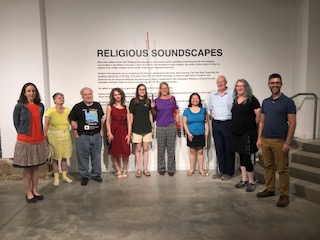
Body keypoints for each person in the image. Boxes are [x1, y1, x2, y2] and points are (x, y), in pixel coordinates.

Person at [256, 73, 296, 207]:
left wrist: (288, 142)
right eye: (272, 83)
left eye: (277, 83)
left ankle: (284, 194)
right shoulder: (265, 102)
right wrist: (259, 138)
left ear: (281, 84)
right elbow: (261, 122)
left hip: (280, 141)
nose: (275, 85)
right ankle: (270, 189)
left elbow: (293, 123)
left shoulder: (288, 102)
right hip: (266, 139)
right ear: (268, 84)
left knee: (282, 169)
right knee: (268, 167)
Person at [13, 83, 47, 202]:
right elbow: (16, 123)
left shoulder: (40, 106)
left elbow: (40, 122)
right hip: (25, 141)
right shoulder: (20, 106)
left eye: (33, 91)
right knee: (27, 168)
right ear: (24, 93)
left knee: (36, 168)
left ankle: (35, 189)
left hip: (39, 140)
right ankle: (28, 192)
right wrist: (24, 134)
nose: (31, 93)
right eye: (28, 91)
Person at [69, 87, 104, 186]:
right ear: (82, 96)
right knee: (83, 157)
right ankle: (84, 176)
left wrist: (101, 131)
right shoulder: (77, 107)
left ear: (92, 94)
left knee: (96, 157)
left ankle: (96, 174)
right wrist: (76, 135)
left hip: (96, 135)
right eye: (86, 94)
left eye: (90, 94)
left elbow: (101, 119)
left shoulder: (97, 105)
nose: (88, 96)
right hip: (83, 136)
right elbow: (72, 120)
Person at [231, 79, 261, 192]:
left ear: (246, 87)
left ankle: (251, 181)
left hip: (247, 133)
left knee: (247, 158)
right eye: (237, 86)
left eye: (242, 86)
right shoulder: (235, 100)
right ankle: (244, 180)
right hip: (236, 133)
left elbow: (258, 115)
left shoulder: (252, 100)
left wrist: (252, 126)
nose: (239, 88)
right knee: (241, 157)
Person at [208, 75, 235, 180]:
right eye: (218, 82)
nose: (220, 84)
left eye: (222, 82)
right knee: (219, 148)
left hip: (228, 123)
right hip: (216, 123)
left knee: (229, 148)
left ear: (226, 82)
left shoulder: (232, 93)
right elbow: (210, 109)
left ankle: (229, 172)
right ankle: (221, 170)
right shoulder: (213, 95)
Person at [44, 93, 73, 187]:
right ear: (55, 100)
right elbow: (46, 125)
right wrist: (45, 136)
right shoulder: (50, 111)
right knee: (55, 158)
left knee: (65, 157)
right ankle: (56, 178)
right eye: (59, 98)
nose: (62, 99)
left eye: (63, 98)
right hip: (54, 136)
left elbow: (72, 122)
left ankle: (64, 176)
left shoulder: (68, 110)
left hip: (65, 135)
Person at [152, 82, 179, 176]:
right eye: (162, 88)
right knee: (161, 149)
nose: (164, 89)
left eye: (165, 88)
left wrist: (177, 123)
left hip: (171, 125)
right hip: (160, 126)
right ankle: (161, 168)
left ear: (168, 89)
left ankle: (171, 169)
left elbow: (176, 110)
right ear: (160, 89)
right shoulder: (156, 100)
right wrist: (152, 108)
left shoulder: (172, 99)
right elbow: (154, 115)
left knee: (171, 149)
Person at [106, 88, 131, 180]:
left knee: (125, 152)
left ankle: (125, 170)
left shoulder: (126, 107)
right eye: (115, 95)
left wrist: (129, 134)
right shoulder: (110, 107)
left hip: (124, 131)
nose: (117, 96)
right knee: (115, 153)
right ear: (113, 96)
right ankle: (118, 171)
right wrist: (109, 133)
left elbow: (129, 122)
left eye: (119, 94)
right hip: (114, 131)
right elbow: (108, 121)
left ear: (122, 95)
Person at [129, 84, 153, 178]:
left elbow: (150, 114)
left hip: (147, 128)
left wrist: (152, 127)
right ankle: (139, 169)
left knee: (146, 149)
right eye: (140, 89)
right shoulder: (133, 101)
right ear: (137, 91)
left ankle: (145, 169)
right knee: (138, 149)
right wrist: (130, 128)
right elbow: (131, 115)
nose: (142, 91)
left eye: (143, 89)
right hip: (136, 128)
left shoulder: (148, 101)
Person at [182, 93, 209, 176]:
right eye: (193, 98)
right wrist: (188, 133)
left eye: (197, 98)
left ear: (199, 100)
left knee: (200, 151)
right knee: (192, 151)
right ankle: (191, 169)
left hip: (201, 134)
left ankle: (201, 169)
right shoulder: (187, 110)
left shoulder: (203, 110)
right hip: (191, 134)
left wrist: (207, 131)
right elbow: (184, 123)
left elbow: (206, 122)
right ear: (190, 100)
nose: (195, 100)